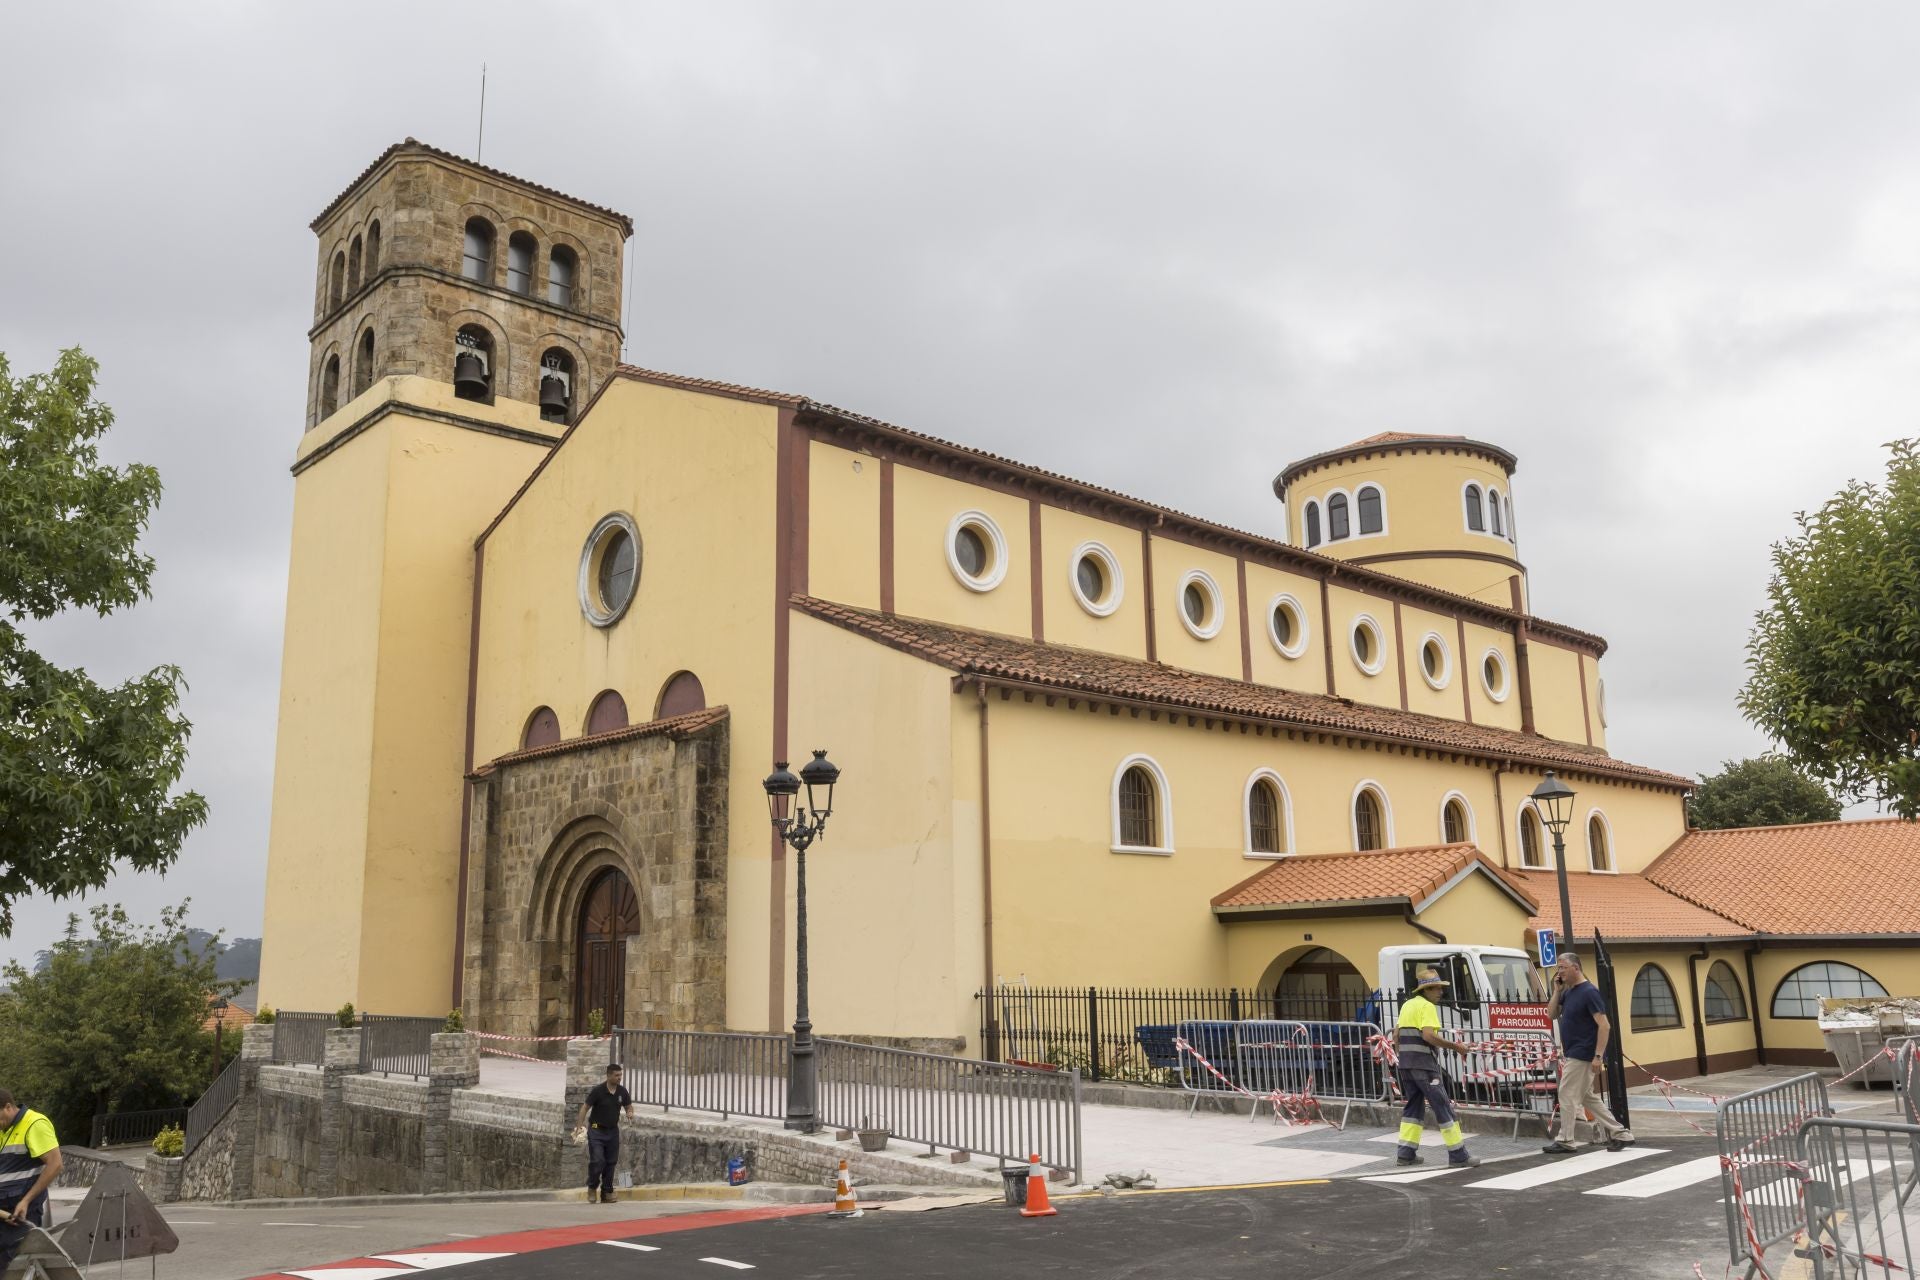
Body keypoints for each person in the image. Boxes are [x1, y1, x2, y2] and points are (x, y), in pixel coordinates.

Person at [1542, 951, 1633, 1154]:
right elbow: (1551, 1014)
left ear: (1575, 968)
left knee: (1566, 1093)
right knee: (1587, 1097)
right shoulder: (1568, 991)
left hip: (1583, 1053)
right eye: (1558, 968)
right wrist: (1557, 991)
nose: (1559, 972)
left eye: (1563, 967)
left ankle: (1566, 1139)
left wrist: (1598, 1056)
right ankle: (1621, 1133)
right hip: (1574, 1051)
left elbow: (1604, 1025)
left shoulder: (1589, 992)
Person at [1393, 968, 1480, 1168]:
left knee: (1413, 1108)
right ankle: (1459, 1155)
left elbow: (1396, 1035)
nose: (1441, 992)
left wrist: (1401, 1056)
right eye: (1437, 989)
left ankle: (1405, 1154)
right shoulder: (1427, 1007)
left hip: (1406, 1065)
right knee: (1443, 1107)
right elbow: (1428, 1036)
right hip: (1424, 1066)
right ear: (1427, 989)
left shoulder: (1407, 1004)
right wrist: (1457, 1046)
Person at [0, 1089, 62, 1269]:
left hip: (22, 1212)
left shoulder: (34, 1124)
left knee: (14, 1268)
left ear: (8, 1107)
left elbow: (55, 1164)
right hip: (3, 1214)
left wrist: (26, 1201)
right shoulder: (3, 1128)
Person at [574, 1063, 634, 1204]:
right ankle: (592, 1187)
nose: (619, 1078)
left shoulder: (622, 1092)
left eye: (620, 1075)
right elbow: (585, 1108)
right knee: (598, 1160)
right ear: (608, 1076)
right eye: (616, 1075)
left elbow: (628, 1105)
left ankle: (607, 1192)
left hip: (612, 1131)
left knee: (610, 1163)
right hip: (596, 1130)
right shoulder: (598, 1091)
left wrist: (630, 1112)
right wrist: (579, 1126)